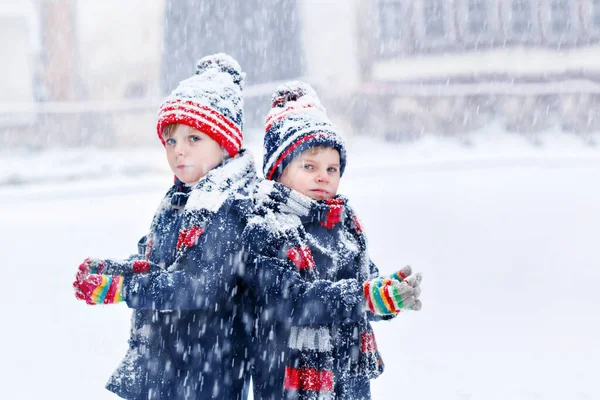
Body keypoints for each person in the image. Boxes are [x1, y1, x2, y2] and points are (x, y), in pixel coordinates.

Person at [73, 53, 257, 400]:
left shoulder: (228, 208)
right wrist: (119, 270)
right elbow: (157, 261)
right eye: (171, 141)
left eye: (193, 140)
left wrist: (125, 289)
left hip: (207, 367)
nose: (178, 152)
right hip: (170, 360)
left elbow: (196, 285)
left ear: (225, 144)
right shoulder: (181, 198)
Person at [243, 81, 423, 400]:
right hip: (291, 377)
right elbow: (292, 301)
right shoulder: (267, 227)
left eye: (332, 168)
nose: (323, 176)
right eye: (309, 166)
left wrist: (386, 294)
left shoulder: (343, 225)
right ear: (277, 171)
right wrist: (362, 296)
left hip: (348, 375)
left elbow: (362, 291)